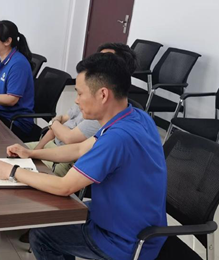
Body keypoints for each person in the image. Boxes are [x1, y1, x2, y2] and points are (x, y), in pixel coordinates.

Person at [0, 52, 167, 260]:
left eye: (80, 93)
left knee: (43, 234)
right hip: (133, 221)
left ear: (103, 94)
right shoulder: (133, 116)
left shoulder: (118, 138)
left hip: (128, 240)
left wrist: (11, 171)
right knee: (58, 216)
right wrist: (31, 153)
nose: (77, 100)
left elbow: (63, 186)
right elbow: (80, 149)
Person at [27, 42, 138, 177]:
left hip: (64, 161)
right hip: (56, 149)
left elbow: (66, 183)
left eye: (104, 61)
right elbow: (78, 147)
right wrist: (33, 152)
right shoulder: (96, 102)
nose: (77, 100)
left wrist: (53, 124)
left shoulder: (109, 120)